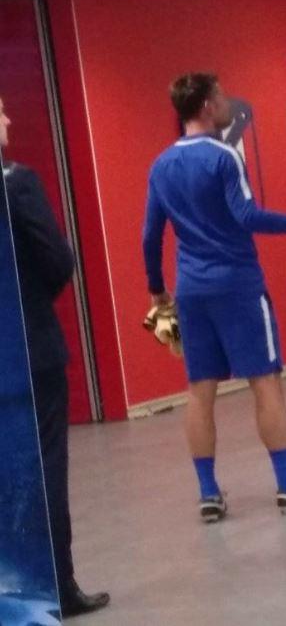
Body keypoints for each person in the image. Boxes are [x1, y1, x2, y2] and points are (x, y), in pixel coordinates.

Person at [143, 73, 286, 521]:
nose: (229, 101)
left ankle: (209, 494)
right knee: (265, 382)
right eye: (221, 96)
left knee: (200, 391)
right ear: (208, 107)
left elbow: (150, 234)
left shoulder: (160, 166)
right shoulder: (225, 157)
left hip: (191, 292)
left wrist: (157, 289)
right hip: (237, 285)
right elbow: (248, 216)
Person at [1, 97, 110, 618]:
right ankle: (55, 585)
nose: (8, 119)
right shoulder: (17, 183)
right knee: (44, 467)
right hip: (29, 350)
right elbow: (57, 258)